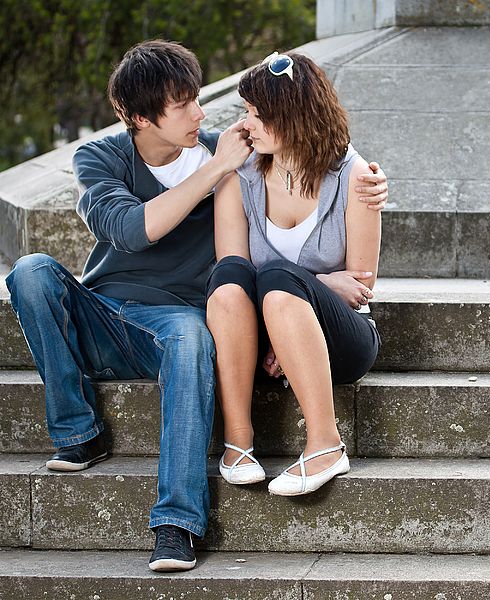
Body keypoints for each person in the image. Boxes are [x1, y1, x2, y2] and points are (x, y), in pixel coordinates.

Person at [3, 41, 388, 572]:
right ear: (141, 117)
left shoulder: (232, 151)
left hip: (178, 320)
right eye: (183, 103)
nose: (202, 113)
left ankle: (176, 524)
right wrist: (215, 170)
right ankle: (77, 434)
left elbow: (308, 176)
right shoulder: (106, 158)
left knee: (191, 335)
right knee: (30, 272)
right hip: (105, 314)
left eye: (196, 98)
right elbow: (131, 230)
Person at [206, 51, 381, 497]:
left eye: (258, 115)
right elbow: (236, 276)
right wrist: (321, 282)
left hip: (341, 339)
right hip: (260, 343)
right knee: (232, 277)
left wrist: (309, 290)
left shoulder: (354, 177)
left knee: (281, 278)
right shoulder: (239, 175)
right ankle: (238, 442)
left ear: (295, 117)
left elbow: (359, 286)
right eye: (246, 112)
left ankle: (326, 445)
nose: (247, 125)